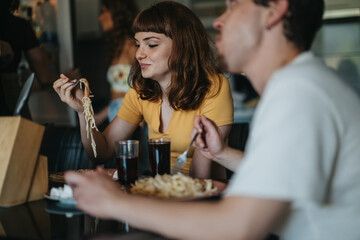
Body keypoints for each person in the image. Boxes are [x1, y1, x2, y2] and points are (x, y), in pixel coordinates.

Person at [64, 0, 360, 239]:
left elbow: (237, 227)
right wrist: (221, 153)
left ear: (274, 11)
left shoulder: (299, 93)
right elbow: (283, 178)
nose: (219, 21)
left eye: (232, 6)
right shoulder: (299, 85)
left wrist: (118, 203)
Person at [54, 1, 234, 178]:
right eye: (138, 44)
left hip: (204, 197)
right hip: (157, 192)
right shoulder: (141, 90)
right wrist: (83, 111)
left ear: (182, 45)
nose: (139, 54)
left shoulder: (213, 87)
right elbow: (100, 153)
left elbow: (201, 178)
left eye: (152, 44)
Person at [94, 0, 139, 125]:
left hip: (130, 117)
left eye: (104, 12)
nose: (100, 17)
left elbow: (143, 88)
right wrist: (100, 116)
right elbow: (118, 97)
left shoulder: (132, 47)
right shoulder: (118, 46)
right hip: (116, 114)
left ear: (117, 14)